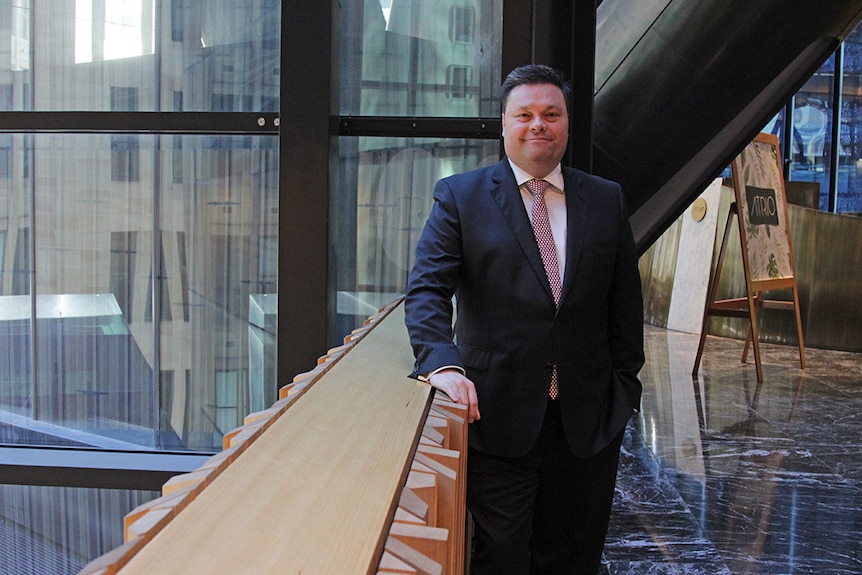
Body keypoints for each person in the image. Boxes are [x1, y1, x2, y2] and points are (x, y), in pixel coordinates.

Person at [404, 64, 644, 574]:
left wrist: (625, 389)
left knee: (573, 557)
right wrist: (442, 365)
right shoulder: (460, 197)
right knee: (501, 557)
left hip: (587, 422)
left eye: (551, 114)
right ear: (505, 123)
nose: (539, 124)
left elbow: (625, 306)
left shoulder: (605, 199)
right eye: (525, 114)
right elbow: (427, 290)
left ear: (567, 124)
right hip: (497, 416)